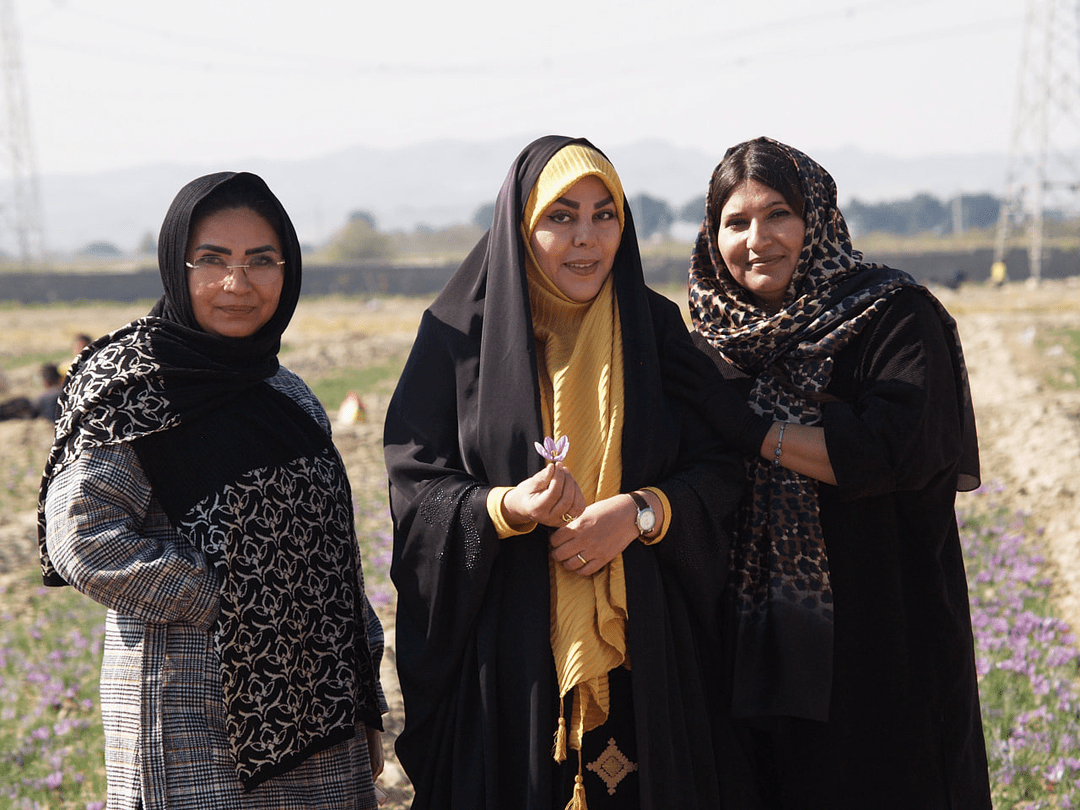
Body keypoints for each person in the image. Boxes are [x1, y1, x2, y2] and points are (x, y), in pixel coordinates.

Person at [384, 136, 744, 809]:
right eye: (561, 216)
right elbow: (416, 485)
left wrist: (641, 512)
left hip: (646, 654)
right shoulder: (458, 339)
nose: (586, 238)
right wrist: (504, 508)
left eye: (604, 215)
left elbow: (724, 466)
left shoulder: (655, 330)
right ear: (520, 225)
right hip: (510, 662)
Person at [38, 172, 388, 810]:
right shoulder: (135, 384)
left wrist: (365, 697)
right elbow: (85, 539)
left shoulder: (289, 395)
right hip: (190, 721)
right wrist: (234, 597)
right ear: (177, 265)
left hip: (321, 720)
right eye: (212, 260)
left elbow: (332, 558)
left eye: (261, 261)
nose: (237, 283)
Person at [682, 136, 990, 808]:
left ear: (816, 219)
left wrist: (754, 431)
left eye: (779, 214)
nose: (757, 240)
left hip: (884, 641)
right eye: (736, 222)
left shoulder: (892, 316)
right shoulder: (709, 346)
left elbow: (891, 451)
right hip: (752, 653)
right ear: (711, 236)